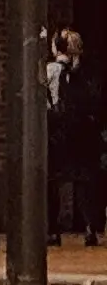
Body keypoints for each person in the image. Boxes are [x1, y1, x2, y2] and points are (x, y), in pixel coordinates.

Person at [53, 28, 102, 248]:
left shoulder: (53, 71)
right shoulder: (88, 73)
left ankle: (54, 229)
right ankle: (90, 226)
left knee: (55, 180)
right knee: (85, 183)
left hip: (62, 133)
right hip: (85, 136)